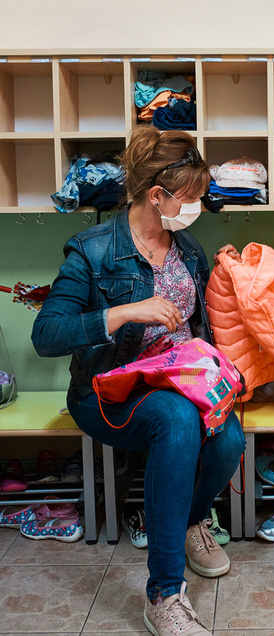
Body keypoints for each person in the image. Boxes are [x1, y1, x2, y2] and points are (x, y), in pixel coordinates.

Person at [32, 126, 245, 636]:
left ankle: (187, 522)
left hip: (181, 382)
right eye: (190, 197)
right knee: (176, 422)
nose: (197, 206)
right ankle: (164, 595)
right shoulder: (92, 251)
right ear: (158, 195)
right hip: (107, 392)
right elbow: (48, 334)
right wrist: (127, 311)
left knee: (229, 439)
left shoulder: (186, 246)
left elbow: (197, 326)